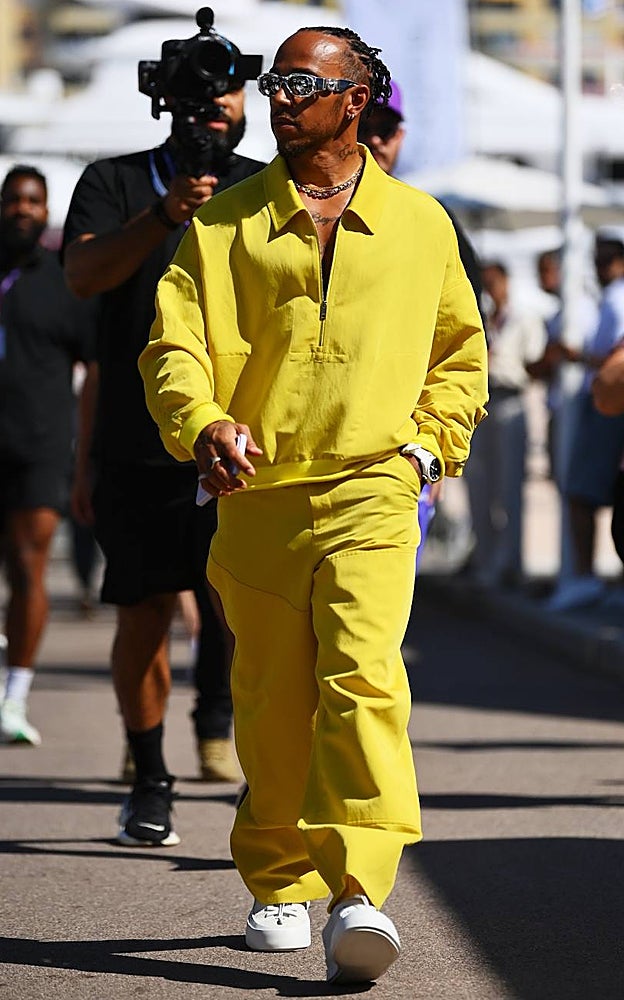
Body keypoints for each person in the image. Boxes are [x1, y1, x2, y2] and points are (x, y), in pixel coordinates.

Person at [139, 24, 487, 984]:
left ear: (356, 96)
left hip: (375, 486)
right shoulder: (221, 225)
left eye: (302, 81)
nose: (281, 97)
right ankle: (279, 877)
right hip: (255, 497)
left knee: (364, 678)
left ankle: (362, 892)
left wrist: (426, 447)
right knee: (270, 696)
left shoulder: (421, 223)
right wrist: (203, 420)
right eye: (272, 80)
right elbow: (173, 347)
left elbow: (460, 353)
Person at [63, 13, 265, 847]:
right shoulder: (114, 181)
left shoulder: (269, 183)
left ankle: (253, 760)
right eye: (196, 90)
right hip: (140, 446)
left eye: (226, 87)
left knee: (246, 615)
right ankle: (149, 776)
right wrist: (161, 215)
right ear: (164, 98)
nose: (212, 104)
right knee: (144, 610)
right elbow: (79, 276)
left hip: (248, 445)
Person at [0, 165, 95, 745]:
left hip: (38, 448)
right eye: (14, 199)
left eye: (33, 201)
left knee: (28, 569)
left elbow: (97, 369)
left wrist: (86, 461)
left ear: (46, 209)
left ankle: (15, 695)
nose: (23, 210)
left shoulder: (65, 280)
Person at [548, 227, 624, 609]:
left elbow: (617, 357)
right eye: (596, 261)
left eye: (604, 260)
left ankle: (585, 576)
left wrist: (577, 356)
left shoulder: (618, 298)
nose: (599, 268)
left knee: (583, 491)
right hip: (603, 403)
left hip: (610, 406)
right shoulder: (609, 297)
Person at [463, 261, 546, 588]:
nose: (492, 289)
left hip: (511, 398)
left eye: (495, 282)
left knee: (510, 486)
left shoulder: (523, 318)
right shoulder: (480, 318)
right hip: (484, 402)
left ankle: (510, 561)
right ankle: (486, 557)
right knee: (480, 482)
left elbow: (536, 361)